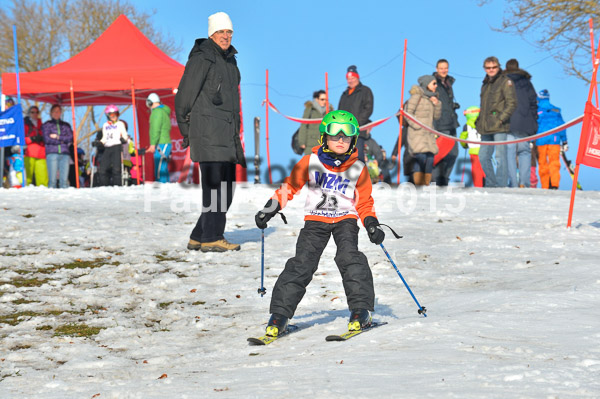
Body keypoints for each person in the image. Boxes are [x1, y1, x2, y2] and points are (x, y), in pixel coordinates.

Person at [254, 110, 385, 336]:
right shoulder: (310, 162)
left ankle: (360, 311)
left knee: (350, 258)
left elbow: (364, 202)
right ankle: (279, 317)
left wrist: (371, 223)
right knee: (302, 263)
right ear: (324, 137)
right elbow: (290, 187)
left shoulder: (358, 168)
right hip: (315, 221)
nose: (341, 140)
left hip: (346, 220)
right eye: (335, 135)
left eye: (347, 135)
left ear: (354, 139)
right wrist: (270, 208)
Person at [175, 11, 245, 252]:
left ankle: (199, 235)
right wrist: (188, 132)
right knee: (216, 190)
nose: (226, 36)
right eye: (221, 32)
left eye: (229, 32)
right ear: (211, 34)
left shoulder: (230, 61)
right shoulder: (202, 58)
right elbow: (184, 96)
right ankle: (213, 238)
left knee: (226, 190)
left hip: (226, 135)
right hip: (207, 135)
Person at [475, 56, 517, 188]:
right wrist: (478, 121)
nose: (491, 70)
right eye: (488, 67)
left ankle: (501, 185)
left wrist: (500, 119)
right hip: (485, 125)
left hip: (499, 125)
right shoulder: (485, 84)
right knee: (483, 156)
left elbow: (512, 103)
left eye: (494, 67)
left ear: (499, 67)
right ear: (484, 69)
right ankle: (491, 183)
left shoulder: (505, 81)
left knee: (500, 156)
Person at [504, 59, 538, 188]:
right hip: (525, 122)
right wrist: (533, 119)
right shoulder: (526, 82)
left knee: (509, 152)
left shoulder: (503, 81)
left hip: (508, 122)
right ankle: (524, 182)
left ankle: (513, 182)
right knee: (524, 152)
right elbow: (533, 102)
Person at [405, 75, 442, 186]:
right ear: (427, 84)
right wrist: (417, 126)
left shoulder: (432, 98)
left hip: (428, 134)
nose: (436, 86)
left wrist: (437, 104)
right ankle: (418, 183)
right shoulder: (417, 97)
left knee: (430, 157)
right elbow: (407, 113)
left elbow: (436, 117)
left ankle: (426, 183)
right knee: (421, 157)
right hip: (418, 134)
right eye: (433, 83)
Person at [431, 59, 460, 186]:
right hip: (440, 124)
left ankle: (444, 178)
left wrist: (452, 106)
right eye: (441, 68)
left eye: (446, 68)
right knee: (442, 154)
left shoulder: (449, 83)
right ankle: (436, 179)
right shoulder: (433, 83)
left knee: (454, 153)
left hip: (452, 122)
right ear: (437, 69)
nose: (444, 70)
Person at [338, 65, 374, 162]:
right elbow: (339, 113)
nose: (350, 81)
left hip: (358, 130)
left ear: (357, 78)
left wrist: (356, 122)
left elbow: (368, 109)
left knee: (358, 158)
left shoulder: (365, 91)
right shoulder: (344, 95)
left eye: (352, 78)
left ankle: (360, 176)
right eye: (348, 79)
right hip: (344, 132)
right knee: (344, 159)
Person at [535, 89, 568, 189]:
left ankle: (545, 185)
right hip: (554, 140)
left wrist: (530, 139)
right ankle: (554, 184)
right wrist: (565, 141)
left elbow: (533, 126)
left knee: (542, 163)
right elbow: (562, 126)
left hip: (540, 140)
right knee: (554, 163)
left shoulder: (536, 111)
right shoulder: (556, 111)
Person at [42, 104, 73, 189]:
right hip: (52, 153)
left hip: (65, 153)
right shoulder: (47, 125)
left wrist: (57, 137)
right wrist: (62, 141)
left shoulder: (66, 125)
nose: (57, 113)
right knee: (52, 180)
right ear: (51, 113)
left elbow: (70, 138)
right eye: (55, 111)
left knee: (64, 180)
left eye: (58, 111)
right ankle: (52, 196)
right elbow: (47, 139)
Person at [98, 105, 129, 186]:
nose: (114, 116)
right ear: (108, 115)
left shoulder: (120, 124)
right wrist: (100, 142)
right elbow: (104, 138)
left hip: (116, 147)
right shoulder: (105, 125)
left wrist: (124, 139)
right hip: (107, 148)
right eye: (112, 115)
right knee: (102, 169)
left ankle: (117, 186)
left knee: (116, 169)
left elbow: (125, 135)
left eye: (116, 114)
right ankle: (105, 186)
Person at [145, 93, 172, 183]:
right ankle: (166, 189)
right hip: (164, 143)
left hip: (161, 143)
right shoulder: (162, 111)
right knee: (163, 168)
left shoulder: (157, 112)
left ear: (150, 102)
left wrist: (152, 145)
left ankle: (162, 189)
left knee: (160, 170)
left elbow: (155, 129)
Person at [298, 90, 333, 155]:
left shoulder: (330, 111)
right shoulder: (310, 109)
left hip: (324, 143)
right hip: (311, 143)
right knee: (310, 163)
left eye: (326, 99)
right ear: (317, 99)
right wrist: (302, 142)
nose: (324, 101)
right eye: (322, 99)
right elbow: (303, 125)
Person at [459, 106, 485, 187]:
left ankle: (478, 185)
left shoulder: (466, 126)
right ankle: (486, 183)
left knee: (476, 169)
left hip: (473, 151)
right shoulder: (484, 123)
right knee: (485, 167)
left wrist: (465, 145)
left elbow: (462, 139)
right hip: (484, 150)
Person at [23, 105, 48, 186]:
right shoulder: (25, 124)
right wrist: (32, 139)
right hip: (29, 153)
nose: (35, 114)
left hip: (41, 153)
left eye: (37, 112)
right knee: (27, 177)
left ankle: (43, 193)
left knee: (42, 178)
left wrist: (44, 138)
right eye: (32, 112)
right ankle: (24, 193)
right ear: (29, 113)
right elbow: (21, 139)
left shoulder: (42, 125)